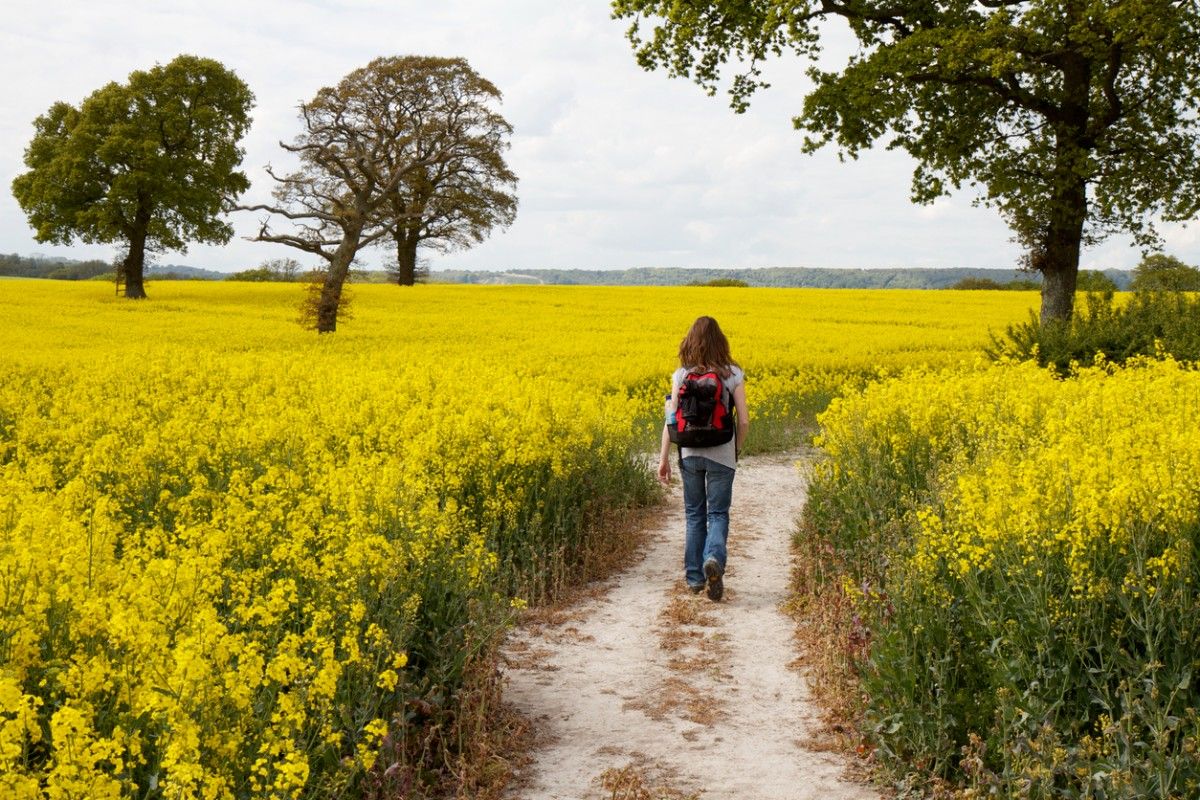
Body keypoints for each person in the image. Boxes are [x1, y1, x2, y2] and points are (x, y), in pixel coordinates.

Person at [657, 316, 749, 601]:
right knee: (718, 513)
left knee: (694, 515)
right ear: (721, 342)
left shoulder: (681, 375)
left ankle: (695, 578)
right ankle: (713, 559)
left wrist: (664, 460)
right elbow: (743, 421)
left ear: (690, 341)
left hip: (690, 453)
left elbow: (671, 421)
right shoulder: (732, 373)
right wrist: (736, 450)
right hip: (722, 452)